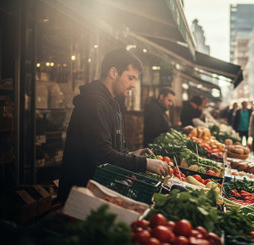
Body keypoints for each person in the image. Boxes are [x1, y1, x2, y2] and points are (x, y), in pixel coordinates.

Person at [58, 49, 170, 203]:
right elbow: (101, 154)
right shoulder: (94, 103)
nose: (133, 85)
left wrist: (132, 155)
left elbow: (111, 150)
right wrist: (144, 163)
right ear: (113, 72)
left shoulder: (112, 104)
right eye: (131, 78)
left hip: (99, 192)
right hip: (81, 194)